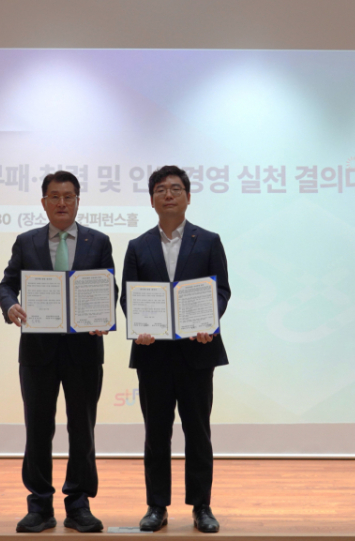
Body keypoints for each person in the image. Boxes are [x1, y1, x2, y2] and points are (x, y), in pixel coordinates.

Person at [0, 171, 115, 534]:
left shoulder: (98, 241)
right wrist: (10, 306)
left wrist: (104, 315)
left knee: (83, 430)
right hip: (38, 352)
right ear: (44, 202)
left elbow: (108, 288)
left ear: (78, 201)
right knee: (38, 429)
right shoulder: (27, 241)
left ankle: (79, 504)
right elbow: (6, 284)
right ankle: (39, 505)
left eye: (68, 197)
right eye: (54, 196)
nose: (61, 203)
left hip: (84, 350)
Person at [120, 165, 230, 534]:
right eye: (161, 190)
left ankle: (202, 506)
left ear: (188, 196)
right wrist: (139, 326)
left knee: (198, 432)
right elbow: (129, 296)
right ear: (151, 199)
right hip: (153, 354)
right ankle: (156, 506)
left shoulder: (209, 241)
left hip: (197, 352)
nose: (168, 195)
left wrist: (209, 319)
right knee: (156, 434)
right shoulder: (138, 246)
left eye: (176, 188)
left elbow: (221, 290)